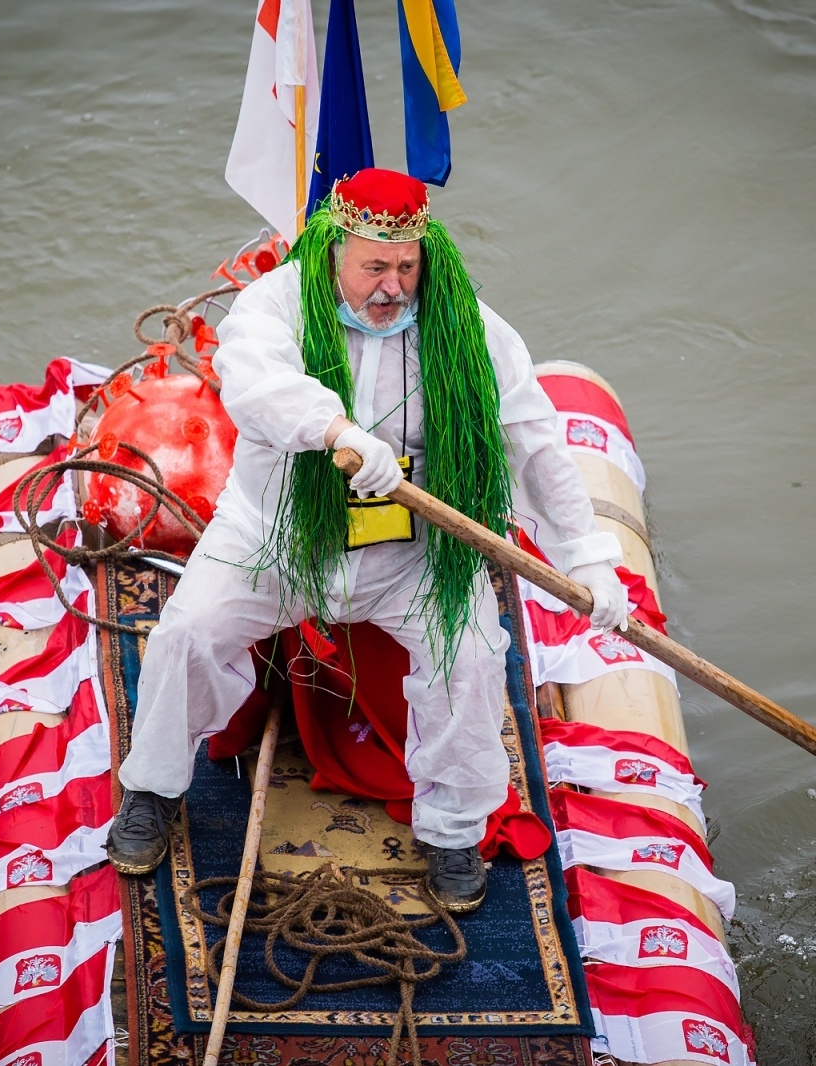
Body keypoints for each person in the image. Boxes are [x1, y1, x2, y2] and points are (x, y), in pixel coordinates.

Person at [106, 168, 629, 913]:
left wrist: (589, 558)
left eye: (405, 267)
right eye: (373, 266)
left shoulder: (467, 321)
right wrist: (337, 429)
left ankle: (452, 829)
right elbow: (252, 383)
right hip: (276, 537)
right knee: (188, 632)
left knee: (473, 654)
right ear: (334, 253)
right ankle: (152, 791)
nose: (391, 284)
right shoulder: (277, 302)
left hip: (410, 554)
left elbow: (534, 437)